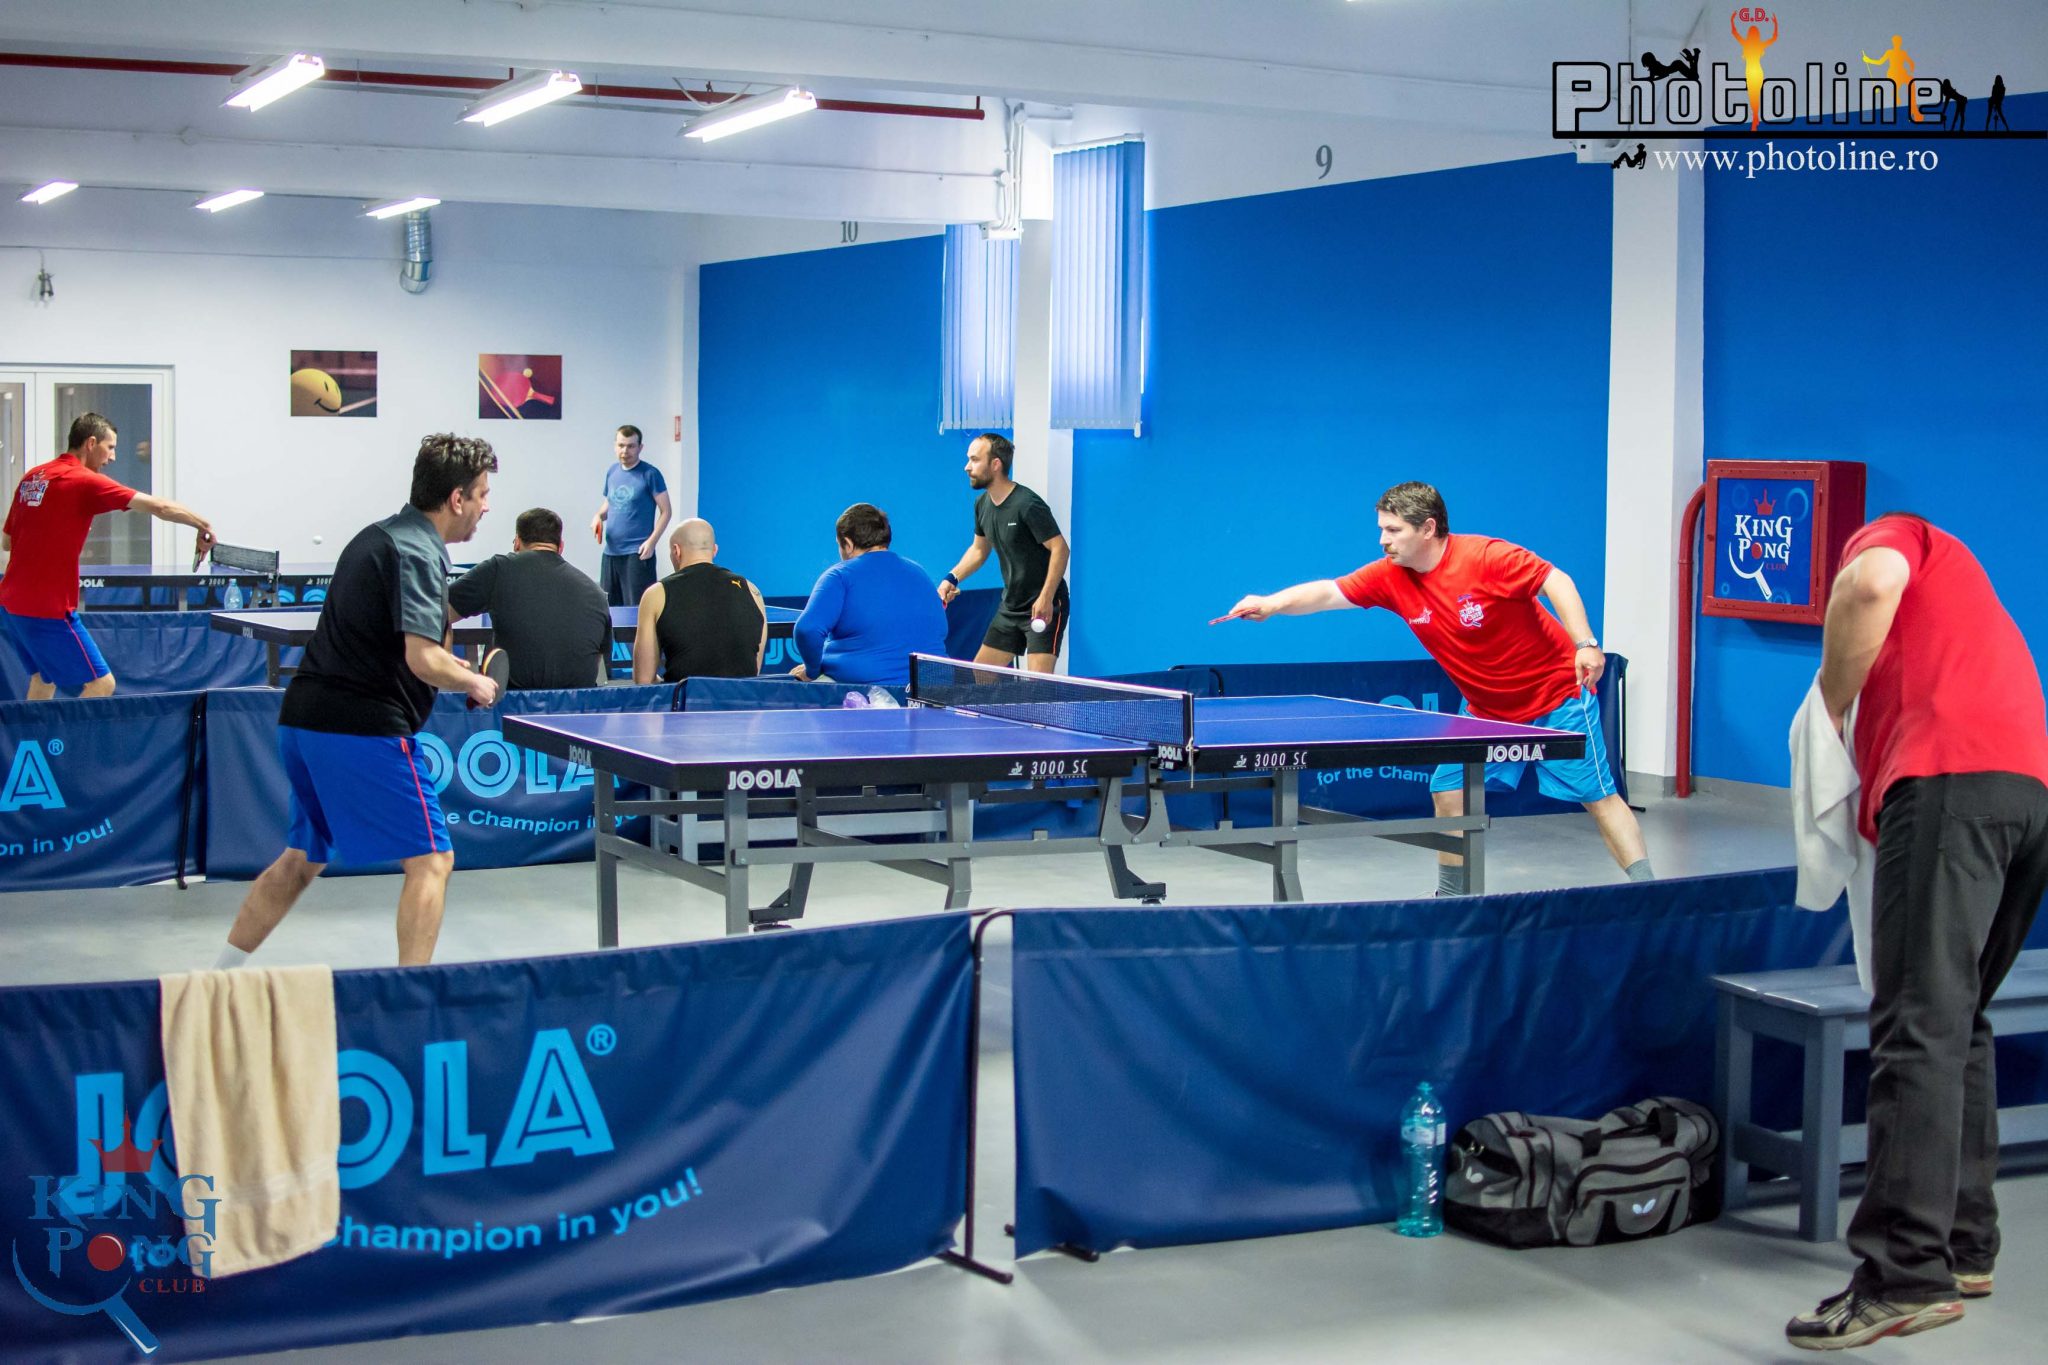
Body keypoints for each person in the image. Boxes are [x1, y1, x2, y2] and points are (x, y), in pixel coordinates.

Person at [1784, 514, 2048, 1350]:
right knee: (1957, 1020)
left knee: (1916, 1028)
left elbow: (1868, 586)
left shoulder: (1891, 538)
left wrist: (1831, 698)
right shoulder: (1966, 605)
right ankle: (1964, 1245)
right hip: (2026, 794)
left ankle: (1903, 1275)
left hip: (1948, 784)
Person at [1219, 481, 1651, 893]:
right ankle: (1452, 899)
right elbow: (1329, 593)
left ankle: (1649, 891)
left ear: (1427, 528)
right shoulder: (1391, 576)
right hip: (1486, 710)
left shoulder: (1486, 557)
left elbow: (1556, 580)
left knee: (1599, 798)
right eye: (1381, 529)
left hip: (1556, 696)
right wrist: (1271, 603)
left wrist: (1585, 644)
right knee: (1447, 790)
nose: (1383, 540)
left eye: (1393, 530)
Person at [212, 434, 500, 969]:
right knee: (433, 860)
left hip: (303, 720)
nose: (487, 506)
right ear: (456, 498)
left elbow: (397, 644)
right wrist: (473, 682)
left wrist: (449, 666)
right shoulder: (418, 552)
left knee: (301, 860)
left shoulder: (378, 535)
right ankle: (411, 993)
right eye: (482, 494)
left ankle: (220, 979)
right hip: (361, 728)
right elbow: (422, 658)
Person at [0, 412, 215, 700]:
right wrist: (203, 525)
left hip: (9, 602)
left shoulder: (33, 477)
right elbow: (160, 507)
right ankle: (74, 733)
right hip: (46, 606)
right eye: (110, 447)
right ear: (91, 443)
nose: (112, 457)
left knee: (43, 679)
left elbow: (7, 542)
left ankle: (31, 732)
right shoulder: (84, 481)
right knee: (101, 684)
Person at [938, 432, 1069, 673]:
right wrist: (952, 578)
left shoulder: (1027, 504)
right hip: (1011, 606)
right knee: (981, 673)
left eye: (974, 459)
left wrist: (1046, 597)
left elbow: (1060, 549)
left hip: (1044, 603)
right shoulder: (982, 505)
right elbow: (979, 550)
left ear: (995, 464)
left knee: (1038, 686)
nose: (967, 467)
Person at [448, 507, 611, 690]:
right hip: (579, 704)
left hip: (511, 703)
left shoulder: (498, 570)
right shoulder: (597, 594)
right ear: (561, 547)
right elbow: (597, 660)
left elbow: (439, 611)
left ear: (517, 543)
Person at [791, 503, 948, 687]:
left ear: (848, 544)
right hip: (936, 691)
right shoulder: (920, 572)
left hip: (871, 694)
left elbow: (807, 630)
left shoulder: (839, 576)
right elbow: (941, 629)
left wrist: (811, 671)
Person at [632, 518, 766, 685]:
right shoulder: (753, 591)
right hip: (743, 699)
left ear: (676, 551)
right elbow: (753, 670)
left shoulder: (656, 594)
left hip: (685, 700)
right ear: (714, 550)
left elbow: (644, 680)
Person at [590, 424, 671, 607]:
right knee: (609, 608)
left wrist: (651, 542)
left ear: (640, 447)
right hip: (611, 553)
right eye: (621, 445)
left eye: (631, 446)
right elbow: (609, 503)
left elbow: (666, 511)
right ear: (615, 446)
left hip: (637, 554)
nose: (625, 451)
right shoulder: (612, 472)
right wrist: (598, 516)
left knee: (637, 609)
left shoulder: (650, 474)